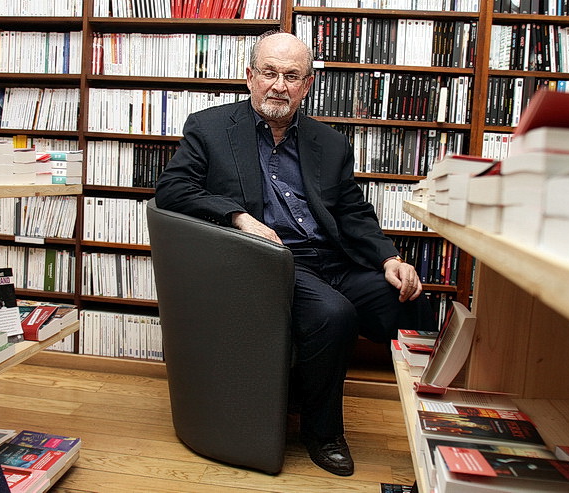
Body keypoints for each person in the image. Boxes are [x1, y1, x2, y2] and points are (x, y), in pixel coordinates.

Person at [155, 30, 435, 476]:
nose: (278, 86)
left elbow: (353, 211)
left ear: (306, 86)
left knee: (411, 300)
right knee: (333, 315)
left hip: (333, 258)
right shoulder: (209, 128)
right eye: (269, 73)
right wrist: (237, 217)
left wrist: (389, 260)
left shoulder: (330, 142)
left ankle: (435, 429)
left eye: (291, 76)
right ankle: (321, 432)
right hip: (272, 263)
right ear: (250, 77)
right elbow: (172, 189)